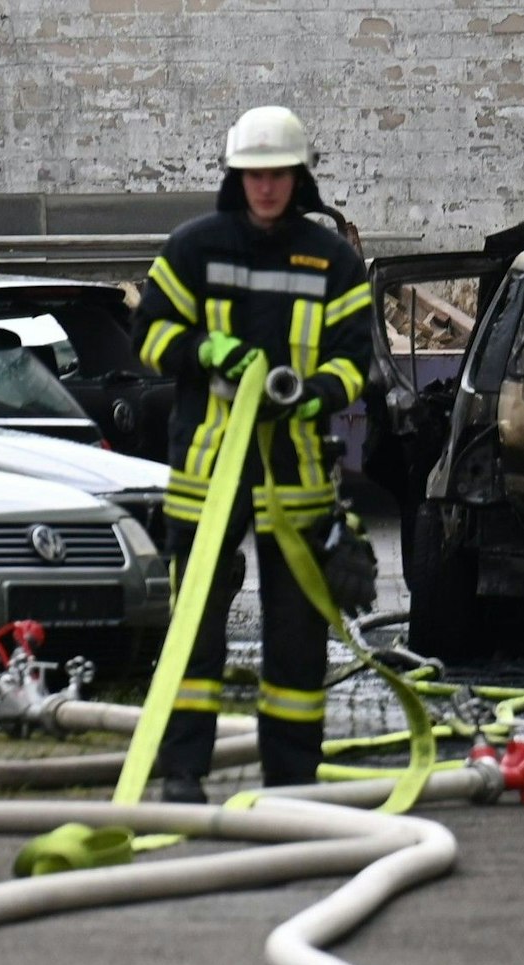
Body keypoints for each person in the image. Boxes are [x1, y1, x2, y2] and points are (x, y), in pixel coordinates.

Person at [132, 105, 374, 803]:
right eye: (253, 175)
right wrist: (204, 349)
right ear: (235, 177)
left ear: (299, 178)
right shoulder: (193, 247)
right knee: (195, 632)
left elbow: (357, 363)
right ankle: (183, 773)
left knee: (295, 641)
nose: (265, 187)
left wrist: (315, 394)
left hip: (295, 475)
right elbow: (146, 333)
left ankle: (291, 783)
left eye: (277, 175)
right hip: (207, 472)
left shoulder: (333, 260)